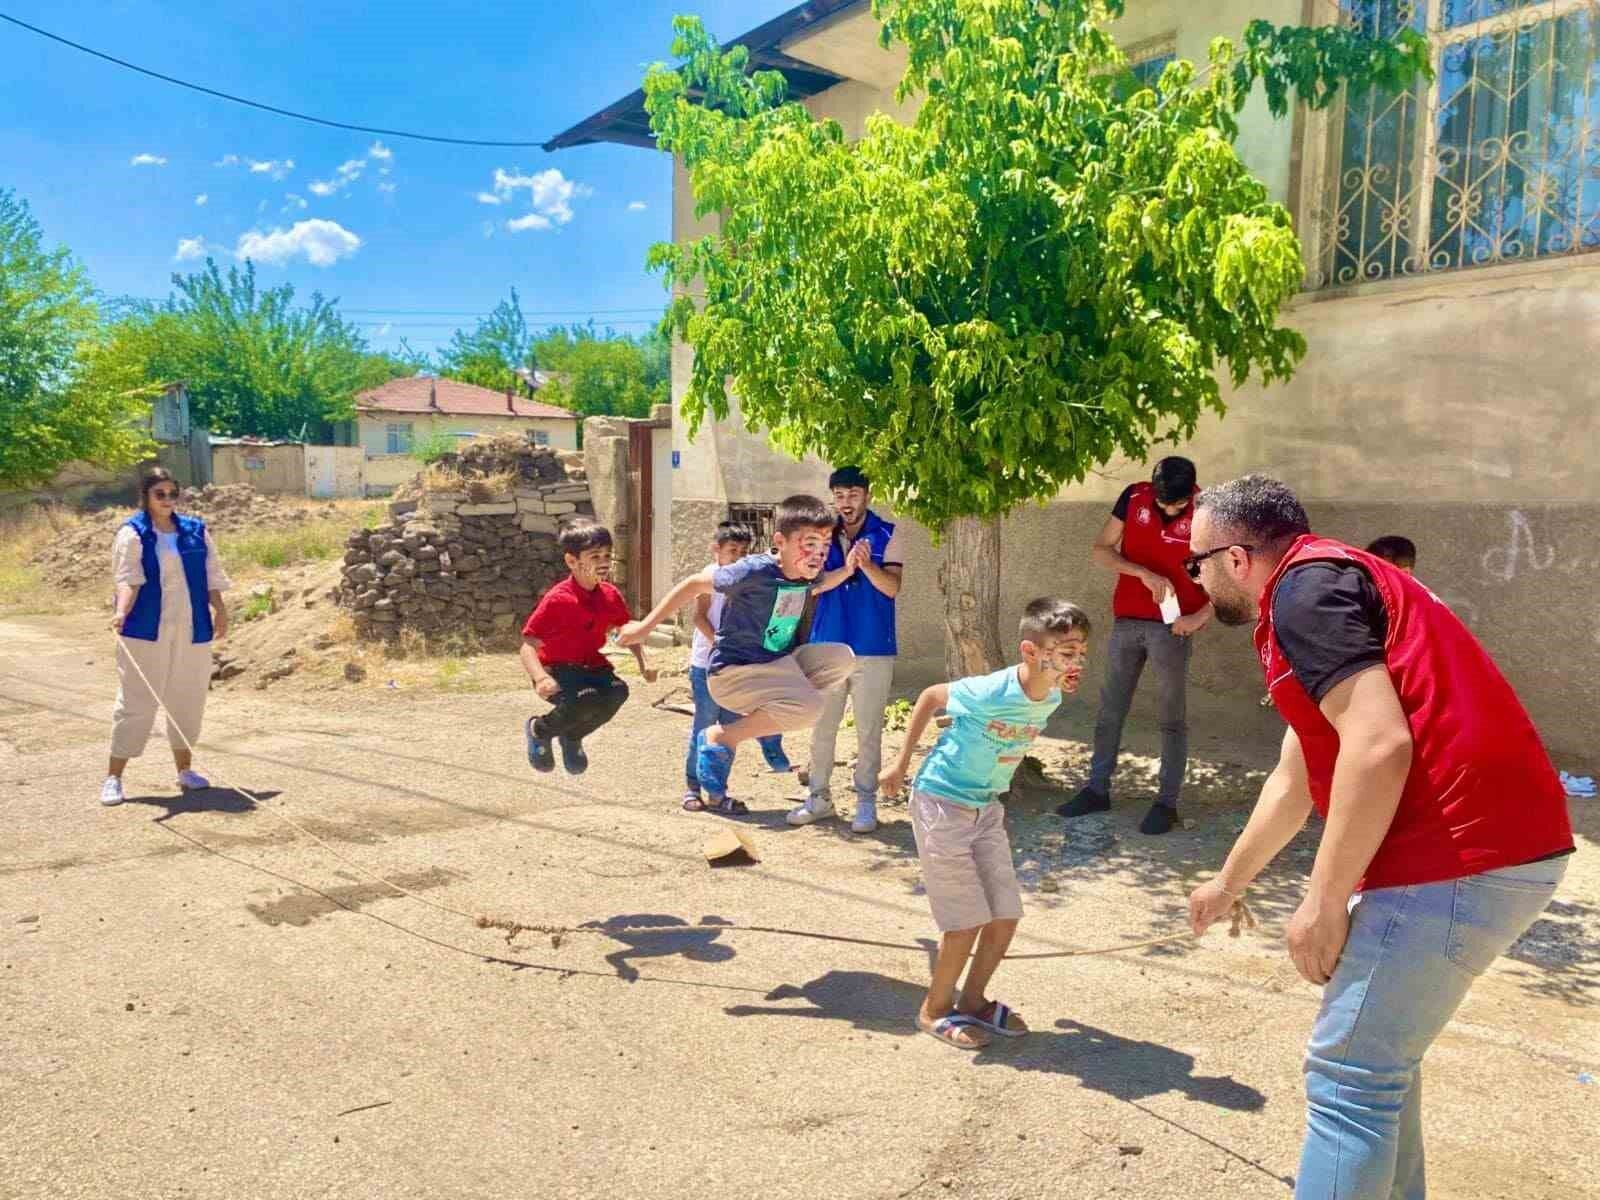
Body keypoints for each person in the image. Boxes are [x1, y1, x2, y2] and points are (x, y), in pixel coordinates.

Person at [1183, 475, 1573, 1200]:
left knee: (1349, 1077)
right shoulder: (1328, 582)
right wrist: (1227, 884)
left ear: (1236, 558)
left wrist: (1324, 901)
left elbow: (1377, 745)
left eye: (1195, 563)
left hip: (1457, 852)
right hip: (1494, 847)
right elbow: (1296, 776)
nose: (1195, 579)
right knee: (1380, 1071)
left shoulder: (1303, 591)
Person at [879, 598, 1091, 1049]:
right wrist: (899, 763)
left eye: (1081, 652)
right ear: (1030, 651)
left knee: (1004, 915)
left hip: (985, 806)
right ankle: (934, 1010)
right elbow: (932, 696)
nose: (1077, 661)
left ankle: (973, 1002)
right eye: (1066, 652)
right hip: (941, 802)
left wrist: (1057, 676)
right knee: (964, 922)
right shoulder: (994, 689)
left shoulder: (1052, 694)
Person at [618, 494, 853, 816]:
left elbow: (824, 582)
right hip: (734, 672)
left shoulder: (805, 576)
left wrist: (850, 568)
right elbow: (693, 585)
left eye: (825, 545)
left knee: (841, 658)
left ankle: (777, 708)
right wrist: (645, 627)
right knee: (810, 708)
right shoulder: (753, 571)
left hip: (773, 665)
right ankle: (723, 737)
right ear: (780, 542)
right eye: (809, 544)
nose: (819, 554)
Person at [1059, 456, 1212, 835]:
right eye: (1163, 503)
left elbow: (1228, 574)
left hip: (1173, 629)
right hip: (1127, 621)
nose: (1169, 510)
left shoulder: (1209, 509)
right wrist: (1142, 573)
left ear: (1191, 493)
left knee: (1171, 719)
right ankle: (1097, 790)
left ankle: (1166, 803)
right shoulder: (1134, 497)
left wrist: (1198, 617)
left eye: (1177, 505)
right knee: (1110, 711)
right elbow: (1101, 549)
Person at [103, 468, 232, 806]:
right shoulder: (133, 533)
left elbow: (211, 575)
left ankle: (185, 770)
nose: (167, 500)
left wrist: (220, 610)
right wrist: (121, 612)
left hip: (191, 627)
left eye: (172, 494)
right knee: (137, 702)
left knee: (188, 699)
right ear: (146, 496)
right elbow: (128, 579)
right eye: (160, 494)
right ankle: (114, 777)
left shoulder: (195, 531)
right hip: (146, 629)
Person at [788, 466, 906, 833]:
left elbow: (891, 588)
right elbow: (812, 585)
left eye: (853, 494)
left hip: (874, 645)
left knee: (868, 729)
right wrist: (847, 568)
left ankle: (865, 802)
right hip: (828, 643)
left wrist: (866, 565)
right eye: (839, 496)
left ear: (867, 495)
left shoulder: (889, 533)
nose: (846, 502)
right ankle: (818, 798)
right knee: (822, 727)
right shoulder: (820, 535)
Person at [521, 520, 655, 776]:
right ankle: (540, 730)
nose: (603, 562)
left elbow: (627, 631)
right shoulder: (558, 599)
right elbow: (528, 645)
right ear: (572, 561)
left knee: (617, 692)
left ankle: (572, 737)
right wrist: (540, 678)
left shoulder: (610, 595)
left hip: (592, 666)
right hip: (558, 669)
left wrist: (644, 663)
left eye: (607, 555)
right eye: (595, 556)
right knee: (586, 699)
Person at [683, 521, 794, 812]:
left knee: (729, 729)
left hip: (736, 667)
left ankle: (717, 792)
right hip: (707, 665)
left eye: (744, 552)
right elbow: (699, 618)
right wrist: (721, 645)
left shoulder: (748, 577)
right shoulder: (710, 576)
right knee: (704, 724)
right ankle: (692, 788)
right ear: (716, 549)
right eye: (732, 551)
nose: (738, 557)